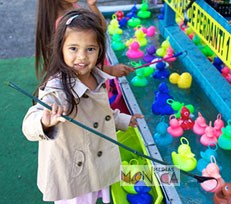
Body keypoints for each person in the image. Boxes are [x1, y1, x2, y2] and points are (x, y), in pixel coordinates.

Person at [23, 9, 144, 204]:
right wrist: (44, 121)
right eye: (73, 48)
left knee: (97, 191)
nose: (82, 57)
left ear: (99, 52)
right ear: (60, 48)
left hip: (95, 160)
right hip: (74, 172)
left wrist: (123, 119)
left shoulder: (95, 76)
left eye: (90, 49)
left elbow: (100, 114)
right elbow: (29, 123)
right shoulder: (57, 88)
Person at [35, 0, 134, 80]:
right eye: (73, 48)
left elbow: (100, 29)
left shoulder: (72, 6)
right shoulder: (62, 22)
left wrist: (92, 5)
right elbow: (78, 65)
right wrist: (111, 70)